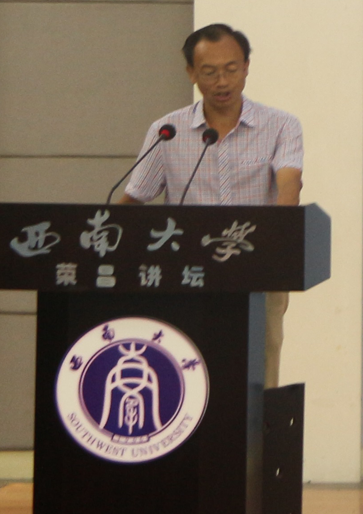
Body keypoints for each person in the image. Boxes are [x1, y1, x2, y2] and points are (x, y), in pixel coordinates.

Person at [120, 23, 303, 388]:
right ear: (191, 73)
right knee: (188, 366)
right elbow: (135, 198)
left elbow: (289, 186)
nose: (222, 82)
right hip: (187, 271)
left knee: (260, 365)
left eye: (231, 69)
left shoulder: (281, 125)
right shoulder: (167, 131)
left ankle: (257, 425)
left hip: (257, 270)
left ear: (246, 67)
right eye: (209, 72)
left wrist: (277, 237)